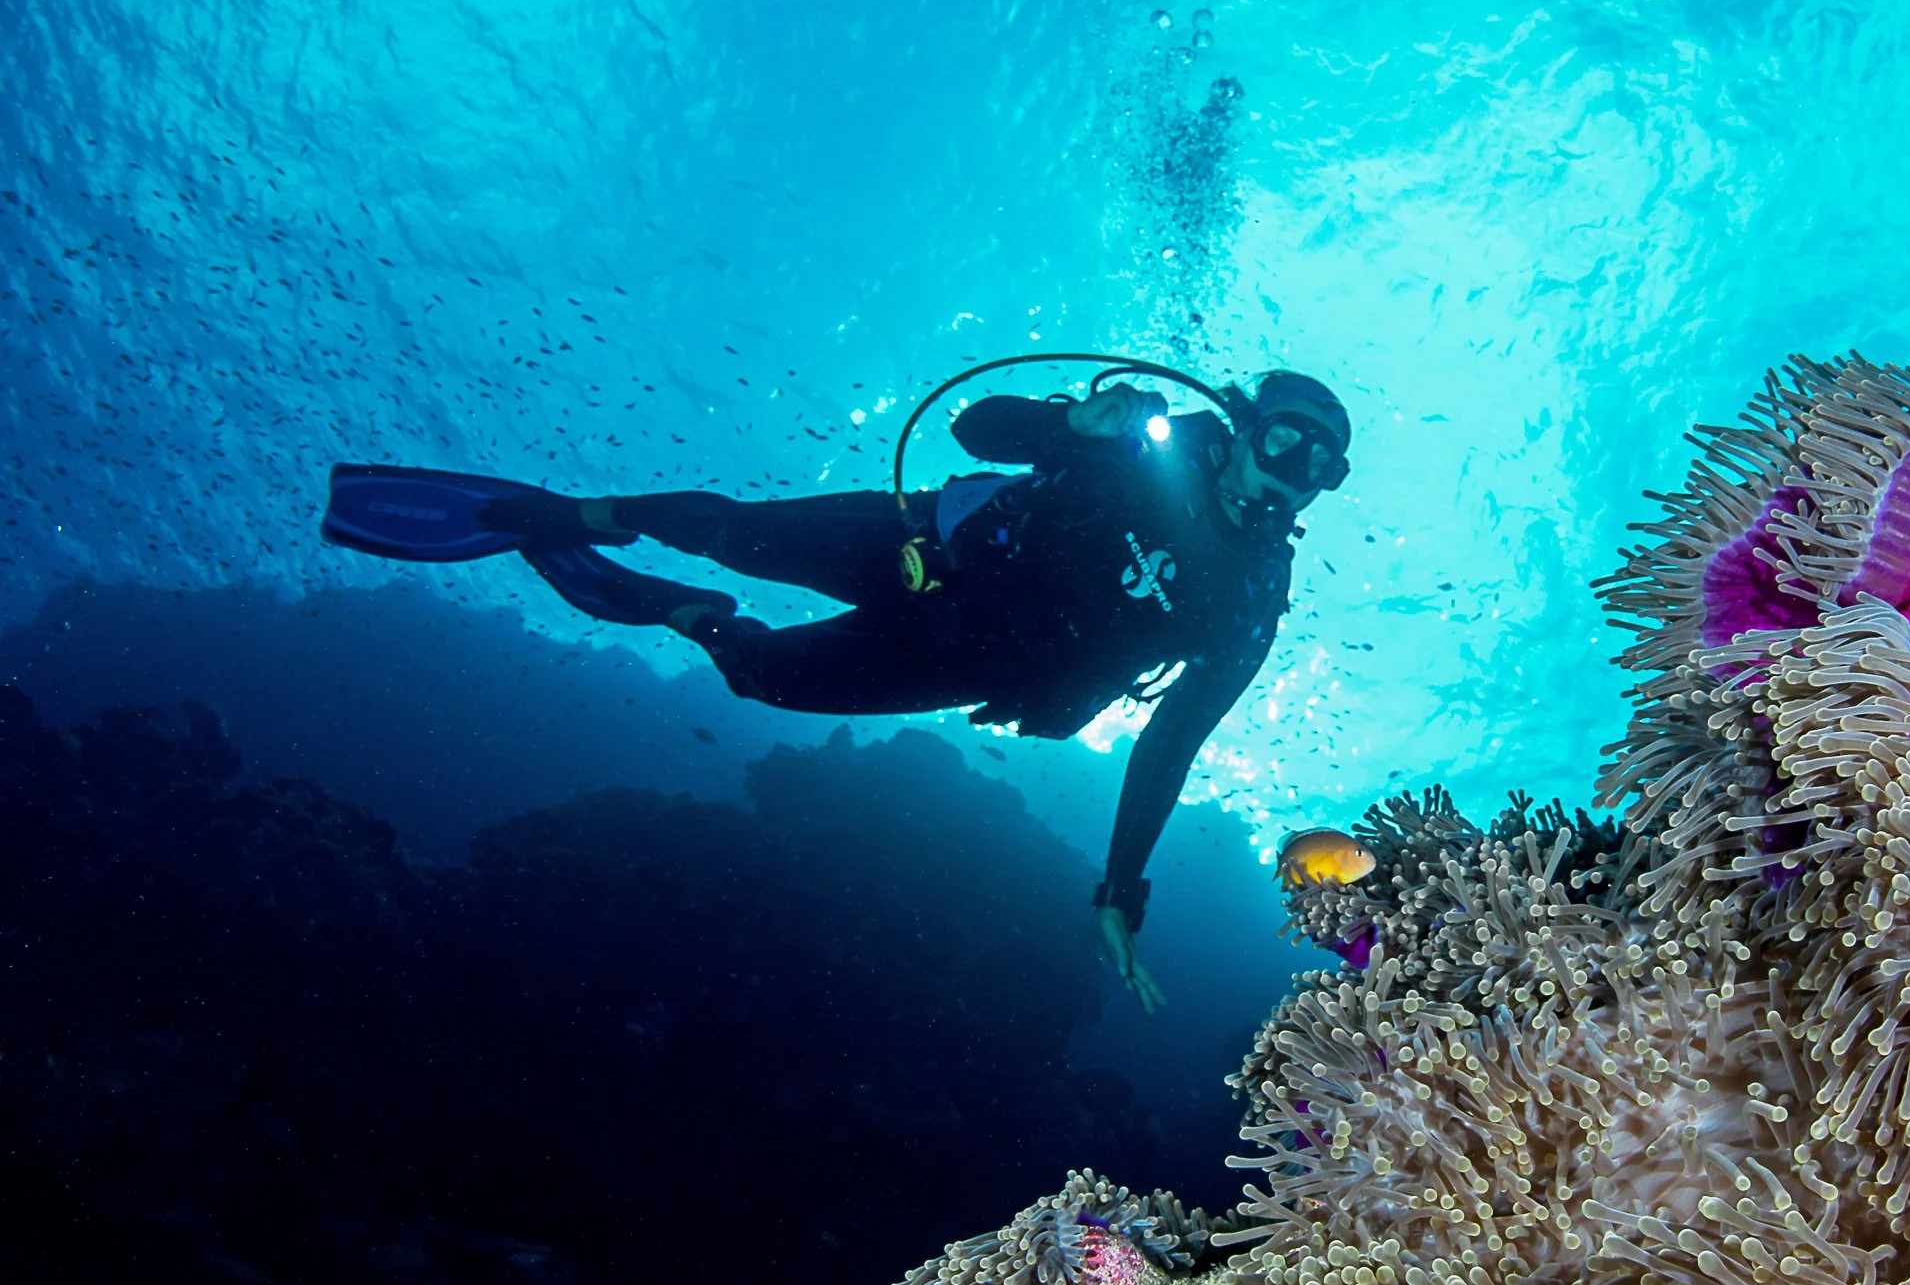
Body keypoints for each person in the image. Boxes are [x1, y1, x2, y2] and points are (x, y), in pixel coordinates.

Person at [322, 369, 1351, 1011]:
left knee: (761, 677)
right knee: (736, 530)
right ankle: (586, 514)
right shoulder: (1145, 443)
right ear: (1247, 426)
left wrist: (1120, 890)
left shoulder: (1249, 609)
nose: (1292, 472)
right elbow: (978, 431)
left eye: (1320, 468)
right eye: (1284, 441)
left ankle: (680, 610)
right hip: (919, 548)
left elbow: (1170, 745)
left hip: (965, 664)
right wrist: (1077, 423)